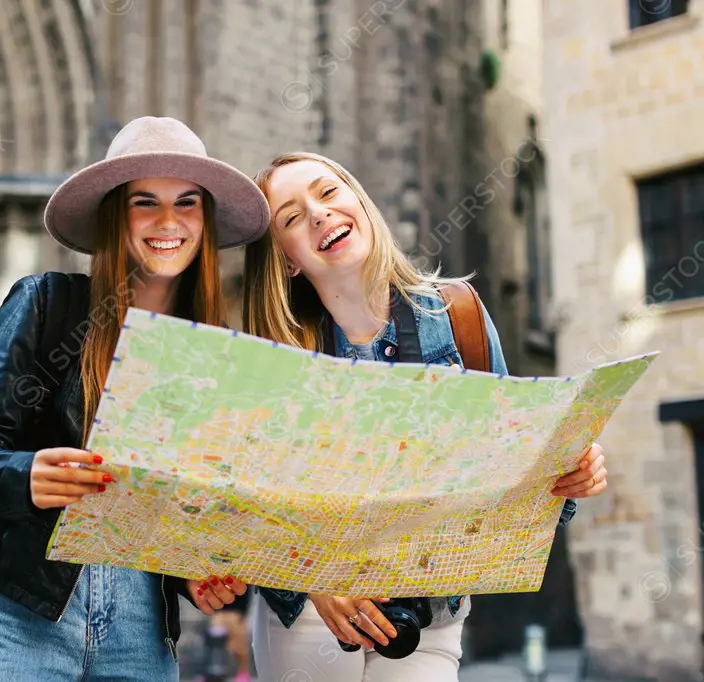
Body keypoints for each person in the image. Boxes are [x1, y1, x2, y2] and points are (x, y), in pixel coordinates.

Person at [240, 151, 610, 681]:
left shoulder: (456, 316)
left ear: (360, 204)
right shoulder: (272, 352)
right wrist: (311, 580)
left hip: (428, 615)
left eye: (327, 193)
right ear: (288, 259)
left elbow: (512, 470)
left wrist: (569, 472)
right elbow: (245, 504)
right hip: (313, 615)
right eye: (293, 218)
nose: (319, 214)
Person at [0, 116, 268, 681]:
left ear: (205, 220)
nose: (168, 222)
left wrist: (195, 572)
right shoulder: (46, 303)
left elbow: (180, 510)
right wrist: (26, 476)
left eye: (187, 203)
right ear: (116, 215)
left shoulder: (218, 356)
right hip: (19, 610)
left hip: (141, 628)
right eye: (146, 203)